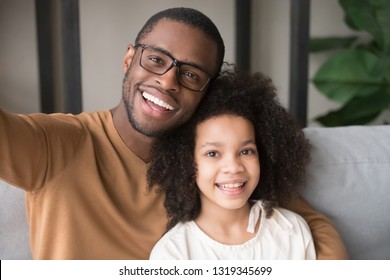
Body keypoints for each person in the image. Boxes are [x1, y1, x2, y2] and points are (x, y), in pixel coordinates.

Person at [0, 7, 347, 259]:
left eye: (191, 74)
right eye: (155, 59)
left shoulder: (212, 164)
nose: (167, 81)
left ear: (205, 92)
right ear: (129, 59)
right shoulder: (57, 144)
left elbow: (310, 225)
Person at [147, 69, 316, 259]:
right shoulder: (173, 253)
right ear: (184, 161)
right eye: (213, 153)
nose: (234, 167)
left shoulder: (291, 231)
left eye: (246, 151)